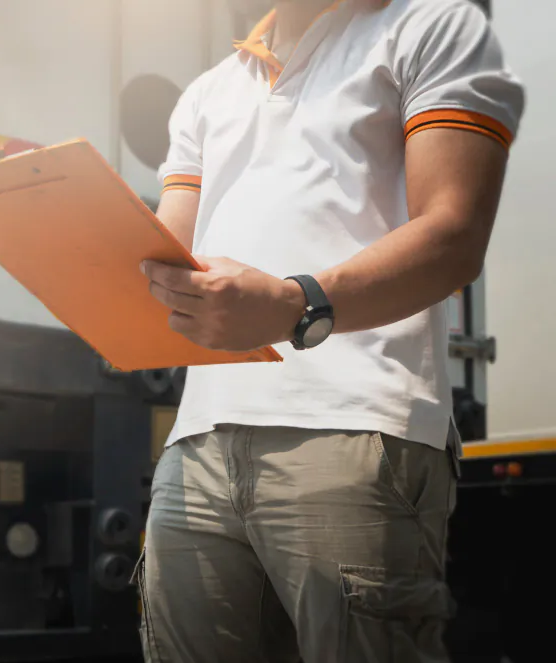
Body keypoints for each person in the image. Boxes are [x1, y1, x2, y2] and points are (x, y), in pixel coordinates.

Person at [136, 0, 524, 661]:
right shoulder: (208, 92)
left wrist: (295, 304)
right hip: (197, 442)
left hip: (356, 426)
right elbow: (167, 258)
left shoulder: (430, 26)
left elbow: (454, 234)